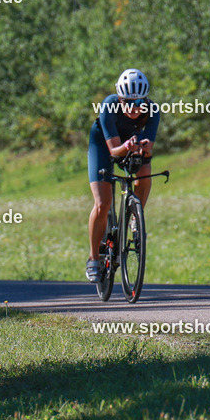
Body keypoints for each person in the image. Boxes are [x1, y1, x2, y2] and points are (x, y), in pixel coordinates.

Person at [86, 69, 161, 282]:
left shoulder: (153, 110)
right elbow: (114, 151)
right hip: (104, 145)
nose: (134, 108)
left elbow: (149, 151)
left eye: (139, 102)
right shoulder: (109, 106)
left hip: (130, 144)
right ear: (119, 99)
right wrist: (127, 146)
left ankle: (136, 219)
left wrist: (143, 149)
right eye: (128, 102)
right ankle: (93, 257)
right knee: (102, 203)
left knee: (145, 171)